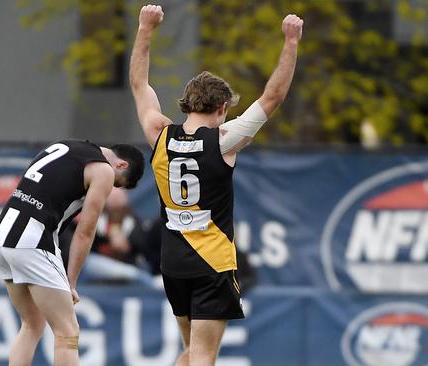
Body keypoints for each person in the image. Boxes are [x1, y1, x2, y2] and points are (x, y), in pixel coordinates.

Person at [130, 5, 303, 365]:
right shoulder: (223, 139)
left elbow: (139, 85)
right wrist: (290, 42)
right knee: (204, 357)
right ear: (222, 107)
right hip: (212, 263)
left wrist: (145, 29)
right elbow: (272, 98)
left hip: (173, 262)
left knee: (193, 353)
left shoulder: (160, 135)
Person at [0, 139, 144, 366]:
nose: (111, 189)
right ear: (121, 165)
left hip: (1, 237)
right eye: (117, 184)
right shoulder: (103, 170)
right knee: (67, 332)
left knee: (32, 324)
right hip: (31, 240)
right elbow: (85, 231)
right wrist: (70, 282)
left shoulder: (66, 146)